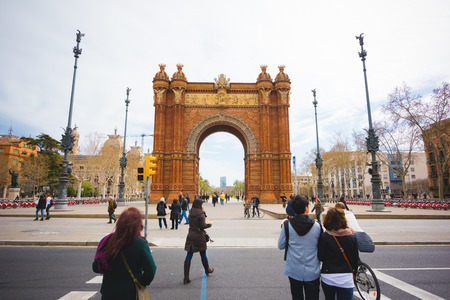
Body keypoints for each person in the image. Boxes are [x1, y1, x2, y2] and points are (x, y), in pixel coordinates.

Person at [93, 207, 157, 299]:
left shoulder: (107, 241)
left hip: (109, 294)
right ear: (138, 225)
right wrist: (141, 281)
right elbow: (150, 271)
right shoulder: (140, 243)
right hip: (130, 293)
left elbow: (96, 267)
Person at [278, 195, 322, 300]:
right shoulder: (317, 226)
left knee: (297, 297)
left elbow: (280, 246)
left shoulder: (287, 225)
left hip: (294, 271)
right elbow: (321, 247)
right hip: (313, 271)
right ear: (306, 208)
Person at [318, 207, 359, 300]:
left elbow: (320, 257)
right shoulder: (352, 236)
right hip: (346, 278)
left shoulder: (325, 236)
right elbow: (355, 260)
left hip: (328, 277)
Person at [183, 198, 214, 284]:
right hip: (199, 237)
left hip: (191, 235)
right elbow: (202, 226)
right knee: (203, 254)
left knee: (189, 255)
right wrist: (209, 225)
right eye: (202, 204)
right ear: (200, 205)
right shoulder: (201, 214)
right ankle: (207, 269)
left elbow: (192, 224)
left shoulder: (190, 213)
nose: (202, 205)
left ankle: (186, 277)